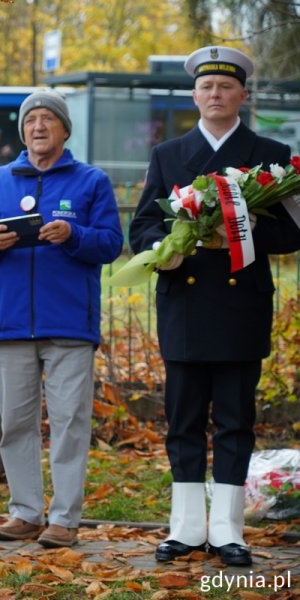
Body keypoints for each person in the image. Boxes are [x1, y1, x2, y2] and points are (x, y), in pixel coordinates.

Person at [129, 46, 300, 566]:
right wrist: (174, 244)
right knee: (183, 420)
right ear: (194, 96)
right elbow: (141, 228)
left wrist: (235, 239)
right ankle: (183, 527)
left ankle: (228, 530)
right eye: (206, 87)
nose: (215, 95)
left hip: (240, 307)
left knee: (234, 419)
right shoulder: (168, 154)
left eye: (226, 87)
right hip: (183, 305)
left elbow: (293, 231)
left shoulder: (270, 152)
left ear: (243, 95)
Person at [0, 90, 123, 548]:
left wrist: (74, 234)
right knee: (15, 424)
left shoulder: (91, 181)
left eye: (48, 120)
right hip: (10, 324)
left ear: (64, 129)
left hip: (70, 325)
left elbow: (112, 243)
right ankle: (25, 513)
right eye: (31, 120)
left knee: (69, 423)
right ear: (22, 130)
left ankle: (64, 519)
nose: (39, 127)